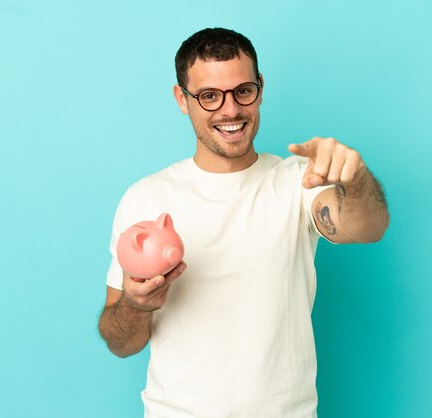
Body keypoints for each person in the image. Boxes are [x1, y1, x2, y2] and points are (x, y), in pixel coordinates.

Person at [98, 27, 389, 417]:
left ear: (261, 88)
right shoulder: (145, 198)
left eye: (243, 91)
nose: (230, 110)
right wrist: (136, 305)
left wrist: (355, 180)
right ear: (181, 100)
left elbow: (369, 228)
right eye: (209, 96)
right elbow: (121, 343)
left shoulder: (299, 180)